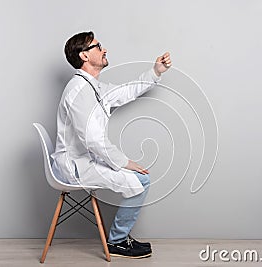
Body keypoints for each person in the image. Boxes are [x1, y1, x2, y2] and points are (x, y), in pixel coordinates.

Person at [51, 31, 171, 259]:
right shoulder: (79, 90)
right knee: (141, 180)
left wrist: (155, 72)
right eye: (98, 47)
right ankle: (117, 242)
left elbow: (124, 92)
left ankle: (118, 239)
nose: (104, 49)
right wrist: (125, 163)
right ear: (84, 56)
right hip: (74, 168)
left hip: (84, 161)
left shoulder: (92, 86)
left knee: (139, 179)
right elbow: (92, 139)